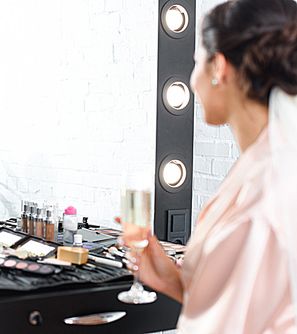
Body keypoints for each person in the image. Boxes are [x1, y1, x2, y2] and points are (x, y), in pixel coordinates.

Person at [122, 0, 297, 332]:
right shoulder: (258, 164)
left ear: (219, 67)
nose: (191, 80)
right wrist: (172, 278)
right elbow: (245, 303)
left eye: (196, 62)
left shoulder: (264, 196)